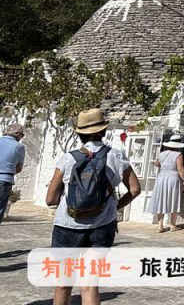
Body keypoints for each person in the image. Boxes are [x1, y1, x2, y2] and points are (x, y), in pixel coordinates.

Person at [45, 108, 141, 305]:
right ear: (103, 131)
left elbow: (50, 199)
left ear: (79, 133)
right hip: (102, 226)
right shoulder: (116, 156)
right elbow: (134, 189)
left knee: (63, 284)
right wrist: (114, 207)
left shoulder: (68, 158)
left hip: (67, 226)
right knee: (90, 285)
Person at [146, 133, 184, 231]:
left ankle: (160, 225)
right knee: (173, 200)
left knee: (161, 200)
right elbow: (180, 169)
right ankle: (173, 225)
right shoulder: (178, 154)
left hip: (161, 178)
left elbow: (157, 164)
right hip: (173, 178)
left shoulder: (161, 154)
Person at [0, 123, 26, 224]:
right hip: (5, 179)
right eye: (22, 135)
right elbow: (19, 168)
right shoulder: (19, 147)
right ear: (17, 133)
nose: (21, 137)